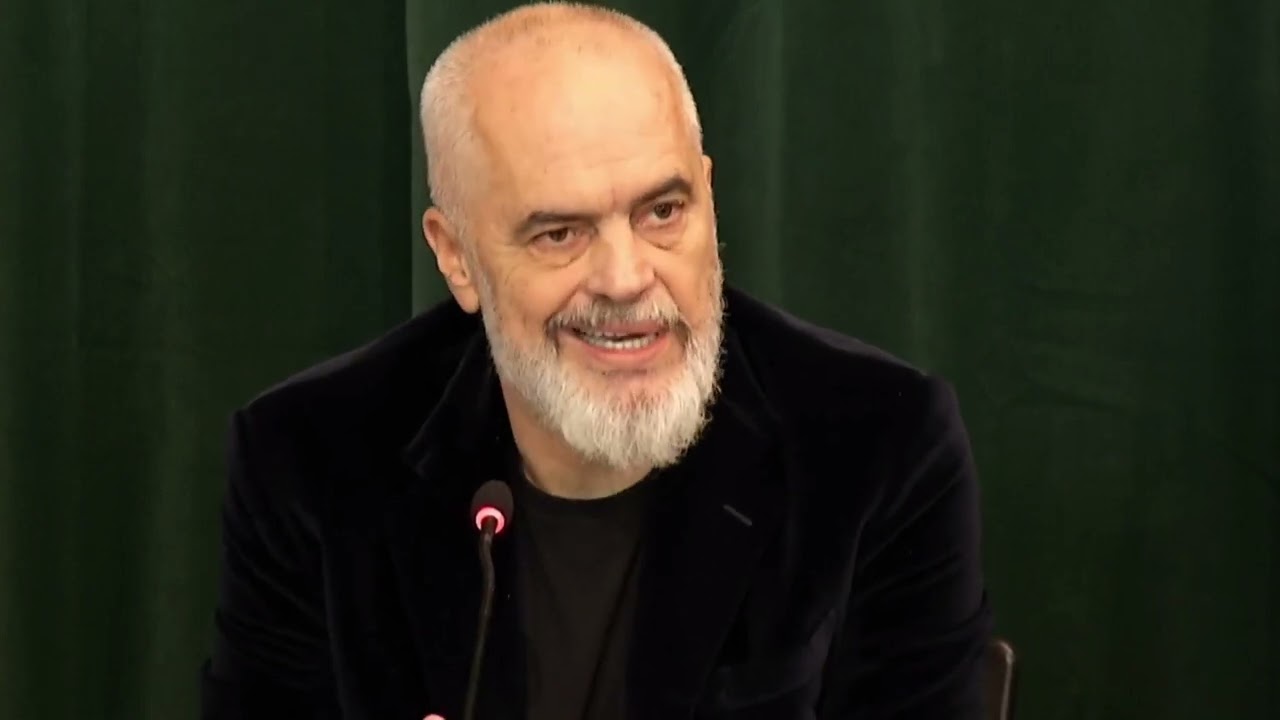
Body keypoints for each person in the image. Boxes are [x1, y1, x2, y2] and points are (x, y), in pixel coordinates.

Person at [200, 3, 993, 719]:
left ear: (709, 196)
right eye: (560, 234)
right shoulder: (308, 459)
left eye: (663, 212)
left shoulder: (878, 445)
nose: (625, 278)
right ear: (457, 258)